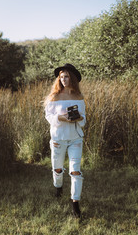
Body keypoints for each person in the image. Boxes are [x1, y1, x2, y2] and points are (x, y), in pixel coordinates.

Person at [44, 63, 86, 218]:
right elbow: (48, 117)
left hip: (75, 139)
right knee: (57, 169)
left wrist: (78, 117)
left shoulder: (78, 96)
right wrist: (62, 117)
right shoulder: (54, 97)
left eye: (66, 76)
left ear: (72, 78)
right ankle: (58, 187)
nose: (63, 79)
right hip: (58, 139)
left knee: (75, 171)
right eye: (61, 77)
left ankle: (75, 203)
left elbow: (84, 119)